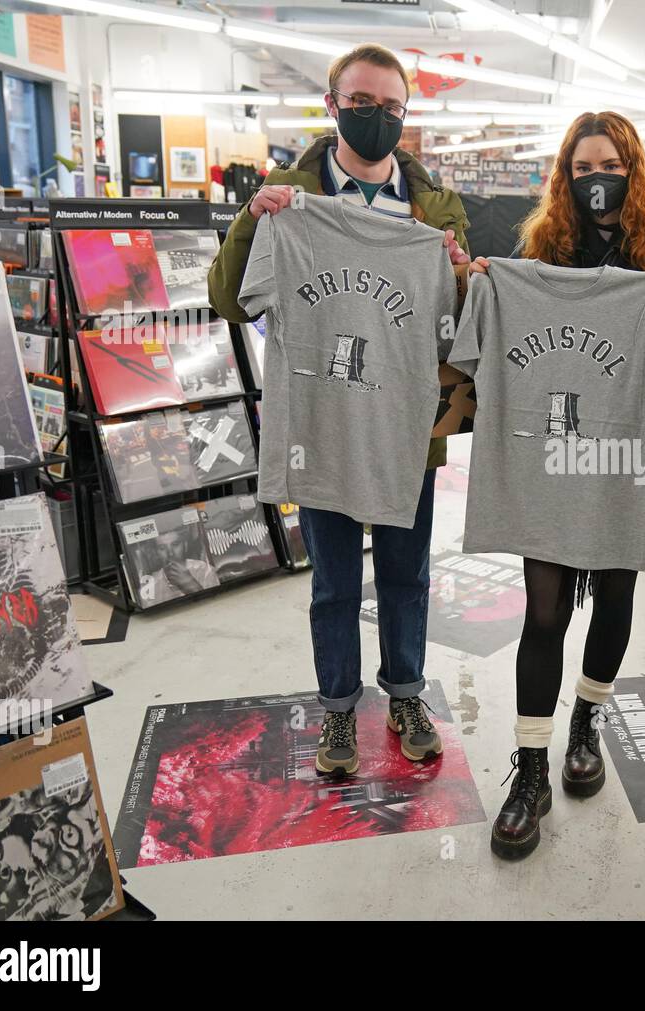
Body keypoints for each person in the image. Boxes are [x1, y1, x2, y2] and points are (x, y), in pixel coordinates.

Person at [208, 43, 471, 774]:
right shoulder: (292, 197)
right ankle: (335, 710)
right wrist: (254, 220)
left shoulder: (433, 207)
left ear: (405, 113)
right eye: (361, 102)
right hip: (321, 422)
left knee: (405, 571)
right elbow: (230, 298)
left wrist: (457, 268)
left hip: (404, 426)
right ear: (332, 104)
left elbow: (461, 320)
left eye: (391, 106)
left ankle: (407, 692)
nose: (375, 116)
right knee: (331, 579)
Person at [468, 111, 645, 859]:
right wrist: (484, 287)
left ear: (632, 167)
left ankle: (587, 720)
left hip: (626, 460)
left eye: (607, 164)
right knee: (543, 610)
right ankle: (532, 768)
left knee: (614, 596)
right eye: (580, 169)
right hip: (549, 458)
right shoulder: (539, 249)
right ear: (564, 178)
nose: (594, 179)